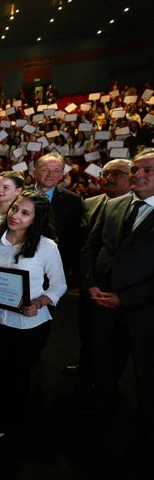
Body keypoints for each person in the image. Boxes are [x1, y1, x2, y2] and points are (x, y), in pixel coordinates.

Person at [80, 149, 154, 450]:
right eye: (135, 169)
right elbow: (90, 248)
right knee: (104, 365)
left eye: (147, 170)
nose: (138, 174)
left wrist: (125, 298)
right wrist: (90, 284)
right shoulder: (114, 205)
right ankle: (103, 410)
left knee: (147, 376)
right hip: (102, 305)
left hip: (144, 313)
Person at [0, 190, 66, 439]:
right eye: (15, 209)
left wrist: (38, 303)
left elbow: (59, 285)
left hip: (28, 324)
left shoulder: (46, 247)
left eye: (25, 213)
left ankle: (9, 419)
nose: (16, 215)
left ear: (36, 219)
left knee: (17, 375)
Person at [65, 158, 132, 378]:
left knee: (112, 340)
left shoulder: (138, 209)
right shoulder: (88, 203)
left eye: (117, 173)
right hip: (89, 280)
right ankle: (85, 366)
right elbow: (84, 243)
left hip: (119, 288)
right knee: (86, 328)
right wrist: (87, 281)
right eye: (105, 174)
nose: (109, 179)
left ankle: (104, 378)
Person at [33, 153, 83, 278]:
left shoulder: (73, 200)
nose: (50, 175)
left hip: (54, 268)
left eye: (56, 171)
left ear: (62, 175)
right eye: (45, 170)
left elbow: (73, 238)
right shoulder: (18, 195)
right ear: (35, 172)